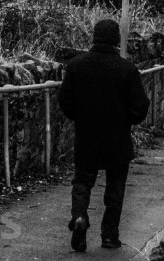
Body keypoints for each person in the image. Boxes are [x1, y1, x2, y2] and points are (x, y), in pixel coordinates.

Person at [57, 18, 150, 252]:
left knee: (82, 181)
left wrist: (79, 115)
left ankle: (79, 217)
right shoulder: (127, 69)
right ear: (116, 40)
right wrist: (127, 119)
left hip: (87, 135)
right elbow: (140, 105)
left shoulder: (76, 66)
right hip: (117, 138)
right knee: (115, 187)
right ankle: (109, 235)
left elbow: (65, 100)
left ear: (94, 37)